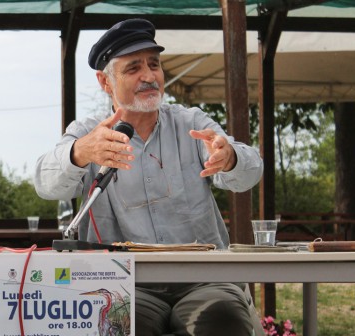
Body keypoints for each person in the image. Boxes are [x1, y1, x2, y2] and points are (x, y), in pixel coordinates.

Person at [34, 19, 264, 336]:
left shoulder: (191, 122)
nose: (149, 76)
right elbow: (45, 184)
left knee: (222, 319)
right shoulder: (90, 133)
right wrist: (80, 152)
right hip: (125, 283)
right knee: (119, 326)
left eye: (154, 64)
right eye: (133, 68)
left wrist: (230, 158)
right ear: (105, 81)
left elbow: (251, 173)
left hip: (204, 279)